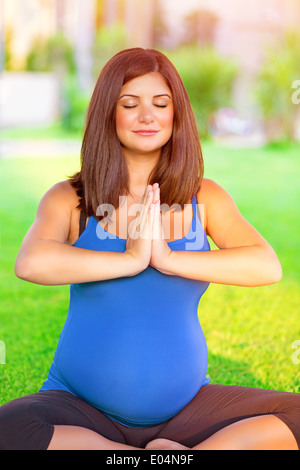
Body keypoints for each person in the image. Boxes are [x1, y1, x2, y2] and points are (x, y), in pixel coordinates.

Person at [0, 48, 299, 451]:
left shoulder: (205, 198)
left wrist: (168, 259)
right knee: (11, 427)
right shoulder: (69, 199)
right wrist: (129, 260)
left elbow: (266, 266)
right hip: (79, 408)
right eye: (130, 104)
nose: (147, 116)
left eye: (161, 104)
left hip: (186, 412)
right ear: (109, 112)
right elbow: (31, 262)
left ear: (177, 116)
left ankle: (170, 453)